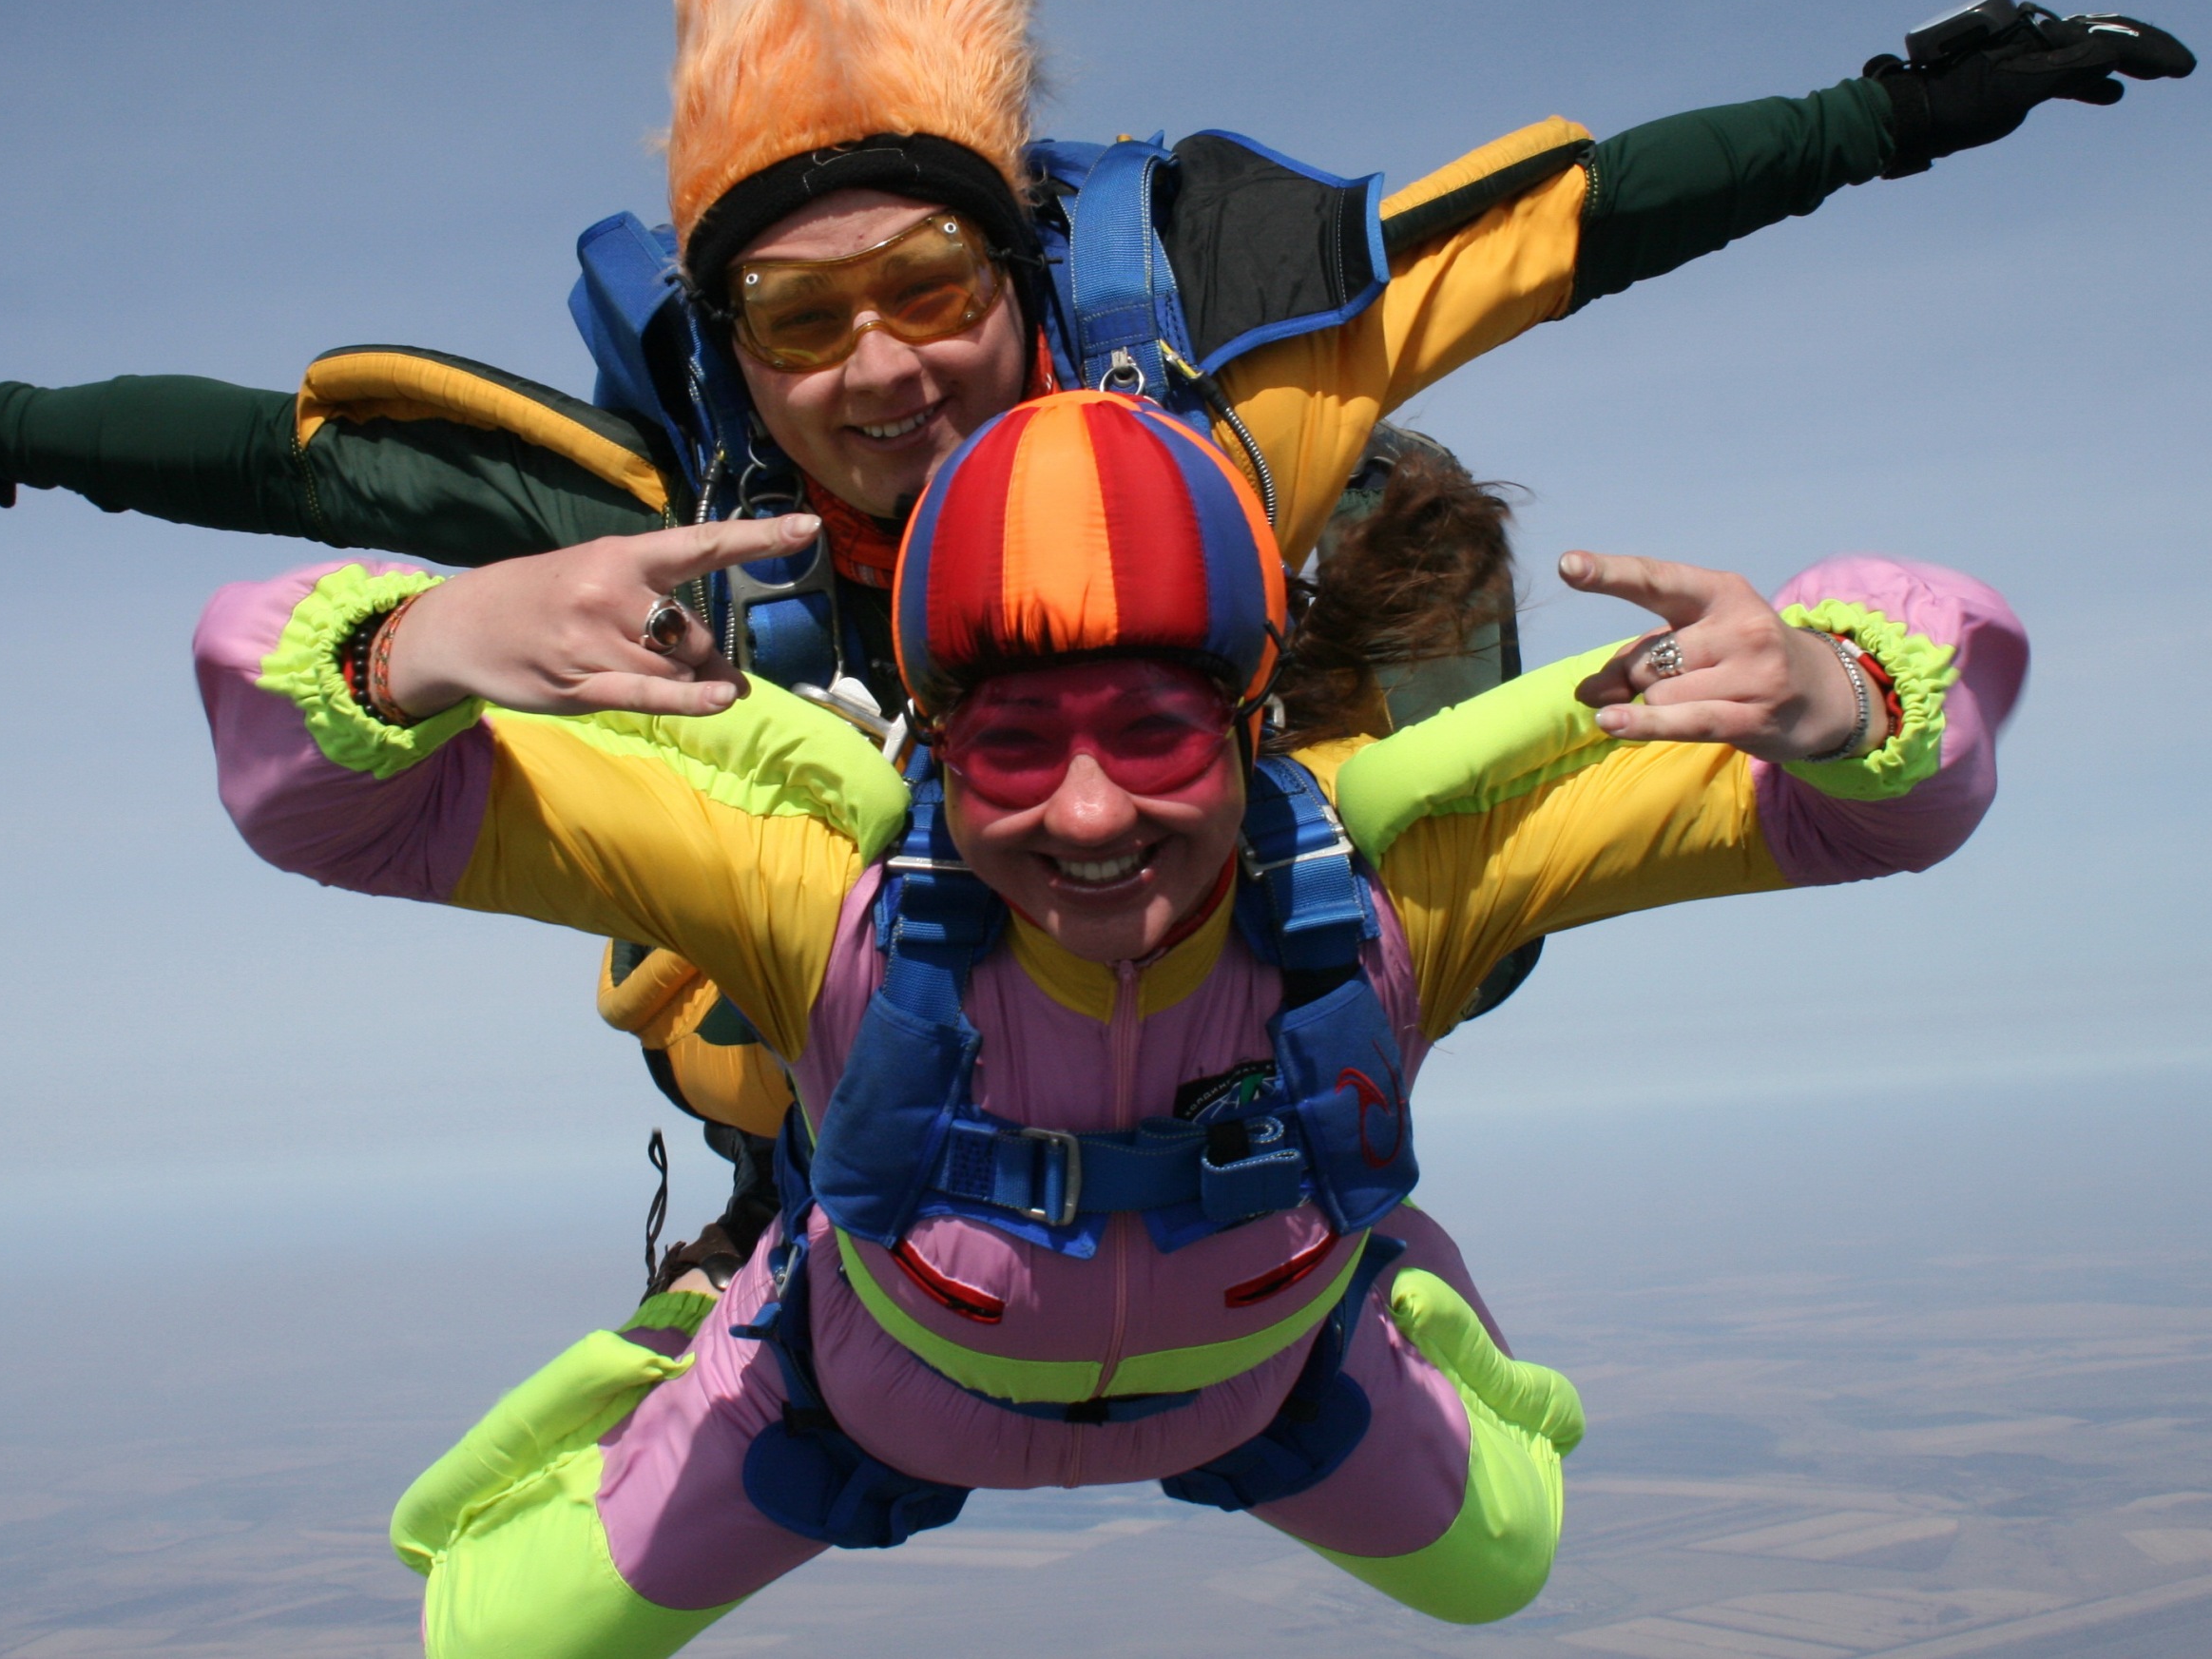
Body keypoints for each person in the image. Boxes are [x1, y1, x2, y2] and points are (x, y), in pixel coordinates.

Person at [0, 0, 2158, 1272]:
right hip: (863, 1001)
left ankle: (1301, 1172)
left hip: (1217, 894)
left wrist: (1889, 110)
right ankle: (794, 1199)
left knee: (1403, 523)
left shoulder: (1232, 386)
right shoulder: (668, 509)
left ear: (1023, 275)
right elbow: (300, 465)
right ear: (731, 351)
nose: (884, 367)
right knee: (730, 840)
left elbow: (1566, 223)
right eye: (799, 319)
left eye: (930, 284)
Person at [191, 389, 2026, 1651]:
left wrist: (1852, 699)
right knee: (487, 1639)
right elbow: (328, 804)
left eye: (1151, 732)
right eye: (1012, 745)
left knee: (1503, 1570)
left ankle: (1400, 1291)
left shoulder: (1401, 891)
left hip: (1271, 1377)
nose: (1086, 813)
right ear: (935, 750)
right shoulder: (812, 893)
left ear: (1248, 724)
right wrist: (409, 651)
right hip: (857, 1388)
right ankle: (708, 1313)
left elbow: (1884, 808)